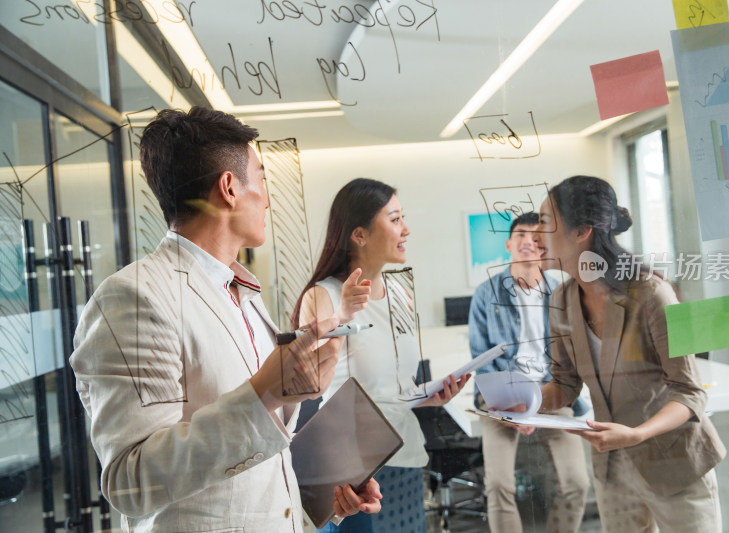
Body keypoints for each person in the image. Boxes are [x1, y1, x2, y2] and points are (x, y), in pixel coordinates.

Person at [69, 107, 380, 533]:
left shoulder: (244, 292)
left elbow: (253, 455)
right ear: (230, 188)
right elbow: (130, 482)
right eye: (263, 179)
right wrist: (267, 392)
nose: (268, 198)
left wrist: (319, 491)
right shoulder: (134, 298)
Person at [534, 175, 726, 532]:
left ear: (582, 232)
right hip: (613, 466)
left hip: (675, 461)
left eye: (544, 223)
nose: (534, 235)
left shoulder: (655, 292)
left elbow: (689, 392)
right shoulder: (560, 300)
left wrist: (637, 434)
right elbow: (565, 383)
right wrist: (526, 402)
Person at [292, 177, 469, 533]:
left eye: (403, 217)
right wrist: (342, 317)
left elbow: (394, 387)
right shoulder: (322, 296)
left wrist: (427, 397)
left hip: (404, 455)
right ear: (359, 235)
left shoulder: (400, 295)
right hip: (352, 469)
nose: (406, 229)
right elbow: (305, 384)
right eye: (394, 219)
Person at [468, 211, 591, 533]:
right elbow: (481, 358)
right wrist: (515, 404)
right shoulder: (486, 293)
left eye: (536, 236)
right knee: (499, 486)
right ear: (509, 243)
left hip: (553, 394)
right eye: (521, 234)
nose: (528, 241)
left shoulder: (563, 294)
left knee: (577, 483)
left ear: (545, 246)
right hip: (499, 401)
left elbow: (573, 356)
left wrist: (538, 402)